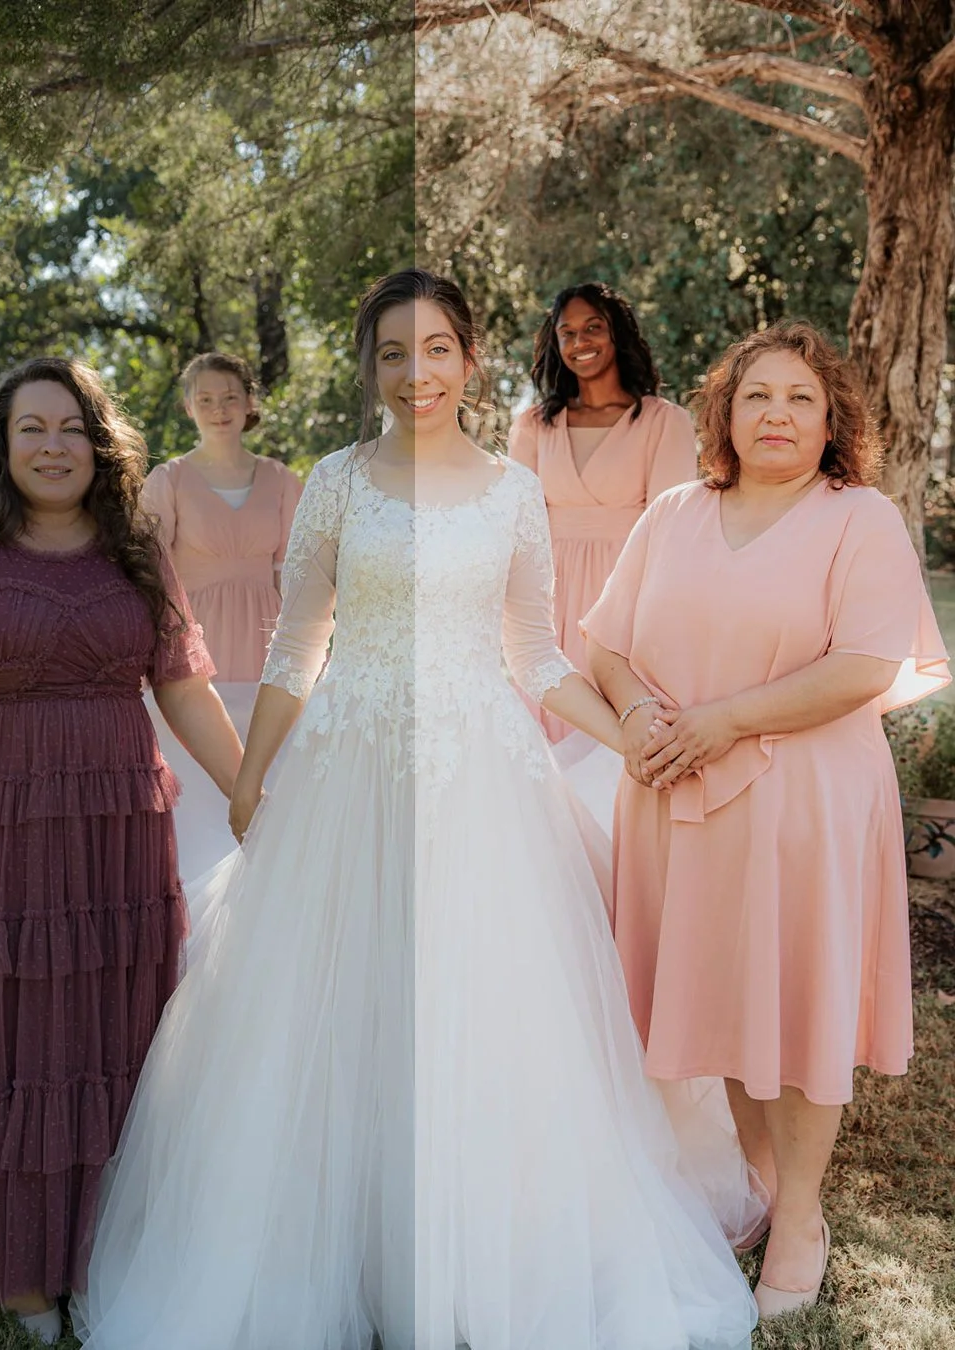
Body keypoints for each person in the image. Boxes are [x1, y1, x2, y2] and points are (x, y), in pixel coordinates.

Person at [71, 271, 757, 1350]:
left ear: (470, 360)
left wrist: (632, 737)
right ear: (370, 367)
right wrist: (252, 778)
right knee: (336, 1003)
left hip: (482, 776)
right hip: (348, 770)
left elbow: (536, 653)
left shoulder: (511, 490)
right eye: (394, 352)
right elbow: (298, 642)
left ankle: (481, 1256)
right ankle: (338, 1242)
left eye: (436, 349)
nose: (416, 372)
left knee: (486, 1008)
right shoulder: (338, 483)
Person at [582, 321, 950, 1320]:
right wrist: (639, 712)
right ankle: (759, 1180)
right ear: (725, 415)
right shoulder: (672, 513)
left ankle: (800, 1219)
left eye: (799, 398)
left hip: (806, 802)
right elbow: (603, 644)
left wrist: (720, 720)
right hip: (681, 799)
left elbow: (865, 667)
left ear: (832, 419)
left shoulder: (858, 518)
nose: (776, 415)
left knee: (800, 1006)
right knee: (730, 1003)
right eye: (756, 396)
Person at [0, 357, 244, 1344]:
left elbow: (182, 687)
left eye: (71, 428)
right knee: (12, 1040)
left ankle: (100, 1245)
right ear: (1, 444)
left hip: (116, 827)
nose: (51, 446)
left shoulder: (133, 549)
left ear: (100, 442)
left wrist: (254, 789)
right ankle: (21, 1270)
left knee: (112, 1036)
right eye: (30, 428)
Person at [508, 282, 696, 744]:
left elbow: (671, 531)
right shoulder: (534, 425)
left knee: (620, 732)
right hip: (547, 599)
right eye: (567, 332)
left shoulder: (663, 420)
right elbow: (515, 526)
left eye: (593, 328)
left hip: (626, 593)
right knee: (544, 734)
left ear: (618, 335)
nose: (580, 342)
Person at [141, 352, 302, 873]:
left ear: (250, 402)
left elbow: (298, 576)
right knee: (205, 798)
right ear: (189, 407)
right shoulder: (168, 481)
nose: (219, 408)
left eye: (230, 396)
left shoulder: (281, 481)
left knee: (269, 780)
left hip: (268, 649)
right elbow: (145, 575)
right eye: (205, 399)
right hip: (194, 658)